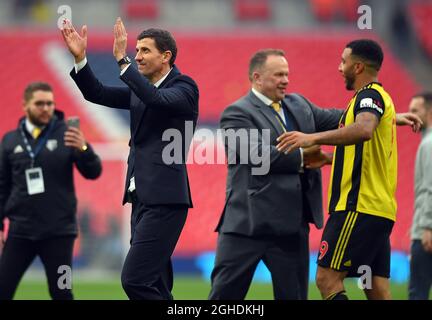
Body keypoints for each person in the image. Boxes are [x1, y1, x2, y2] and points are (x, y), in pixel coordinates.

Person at [60, 18, 199, 300]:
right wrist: (80, 58)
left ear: (166, 56)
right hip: (140, 201)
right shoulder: (141, 92)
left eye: (144, 51)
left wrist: (122, 61)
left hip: (165, 201)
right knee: (156, 284)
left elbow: (158, 101)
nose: (137, 56)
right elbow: (96, 92)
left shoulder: (185, 87)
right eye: (135, 51)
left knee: (134, 280)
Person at [277, 39, 422, 300]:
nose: (339, 68)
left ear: (357, 67)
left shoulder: (369, 96)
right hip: (379, 209)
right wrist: (331, 159)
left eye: (343, 62)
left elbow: (364, 131)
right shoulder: (377, 100)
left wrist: (312, 138)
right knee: (376, 288)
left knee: (327, 279)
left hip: (358, 206)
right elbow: (365, 150)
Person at [209, 49, 344, 300]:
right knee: (223, 298)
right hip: (247, 225)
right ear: (257, 78)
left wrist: (382, 114)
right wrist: (305, 157)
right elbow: (257, 154)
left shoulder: (299, 104)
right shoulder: (236, 113)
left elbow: (340, 118)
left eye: (287, 74)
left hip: (291, 226)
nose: (285, 80)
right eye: (278, 75)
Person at [0, 81, 102, 300]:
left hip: (59, 234)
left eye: (50, 103)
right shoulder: (10, 141)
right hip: (20, 232)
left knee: (62, 293)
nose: (46, 108)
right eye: (39, 104)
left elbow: (94, 172)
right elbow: (2, 187)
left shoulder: (67, 134)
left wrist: (84, 147)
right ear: (25, 106)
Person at [407, 92, 432, 300]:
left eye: (415, 111)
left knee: (418, 293)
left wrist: (427, 226)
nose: (410, 116)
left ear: (429, 113)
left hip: (426, 233)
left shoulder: (429, 144)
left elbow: (430, 188)